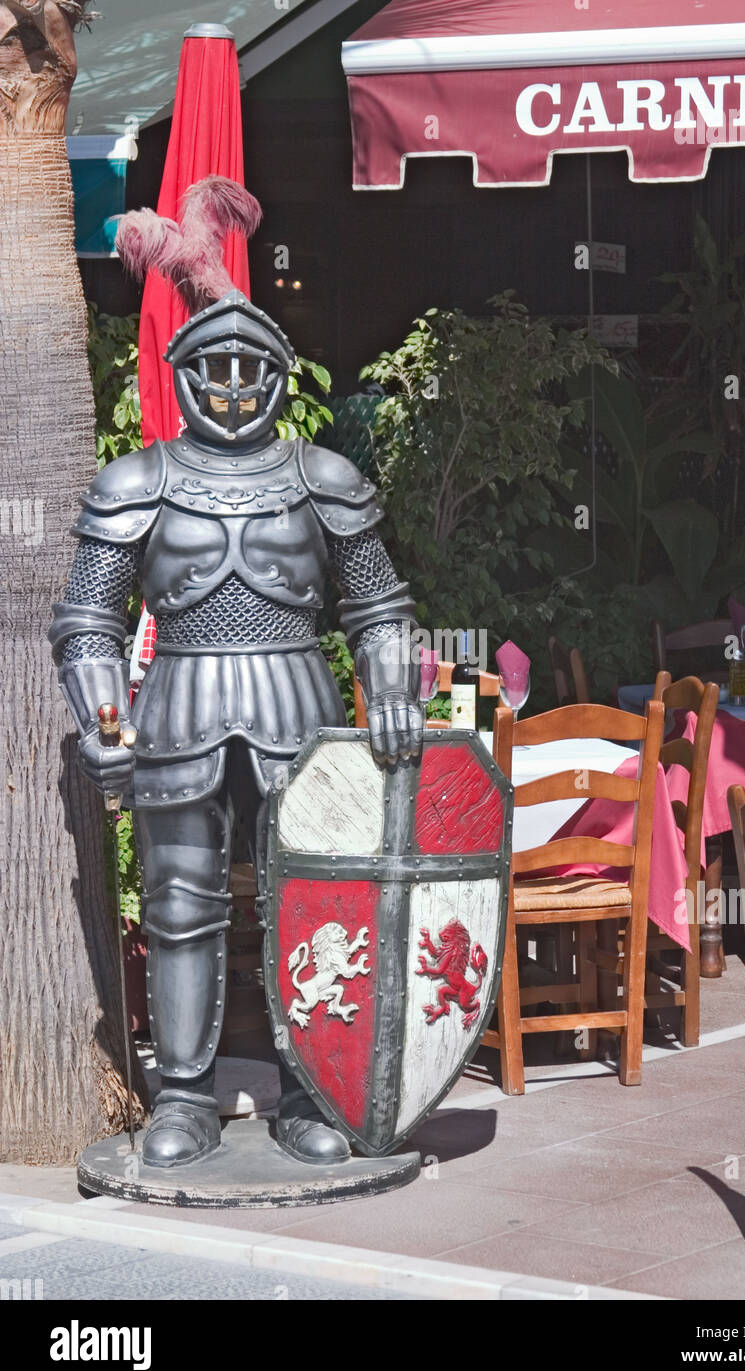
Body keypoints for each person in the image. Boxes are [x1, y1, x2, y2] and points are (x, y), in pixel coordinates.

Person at [48, 202, 423, 1168]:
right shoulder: (137, 481)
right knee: (179, 902)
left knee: (311, 900)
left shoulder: (324, 475)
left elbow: (379, 604)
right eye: (210, 370)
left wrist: (389, 681)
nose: (228, 387)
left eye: (247, 370)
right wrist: (103, 714)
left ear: (277, 378)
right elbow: (88, 617)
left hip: (302, 711)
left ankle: (310, 1088)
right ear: (183, 378)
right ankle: (183, 1096)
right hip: (179, 709)